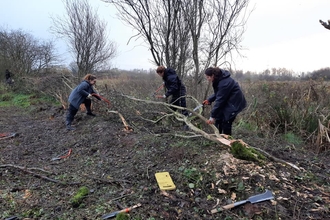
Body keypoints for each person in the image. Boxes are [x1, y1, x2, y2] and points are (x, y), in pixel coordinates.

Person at [203, 67, 246, 136]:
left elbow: (220, 100)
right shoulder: (219, 79)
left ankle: (228, 142)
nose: (207, 79)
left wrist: (212, 116)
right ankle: (219, 137)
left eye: (208, 77)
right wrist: (209, 99)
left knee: (226, 122)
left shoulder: (224, 83)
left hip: (234, 103)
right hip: (227, 100)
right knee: (219, 118)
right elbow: (219, 93)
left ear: (213, 76)